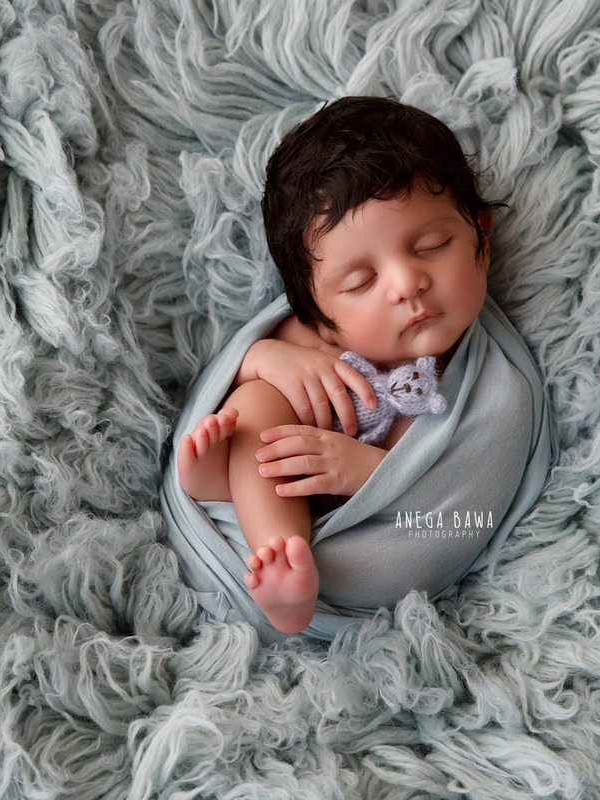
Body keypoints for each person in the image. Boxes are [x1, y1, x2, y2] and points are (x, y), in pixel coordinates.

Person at [175, 96, 507, 634]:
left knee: (269, 422)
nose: (406, 284)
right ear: (321, 313)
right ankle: (273, 549)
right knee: (252, 406)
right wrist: (265, 357)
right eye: (360, 283)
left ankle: (239, 496)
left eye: (432, 244)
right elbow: (242, 365)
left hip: (384, 529)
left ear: (482, 236)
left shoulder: (492, 383)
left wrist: (366, 473)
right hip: (285, 495)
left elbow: (460, 510)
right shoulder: (316, 334)